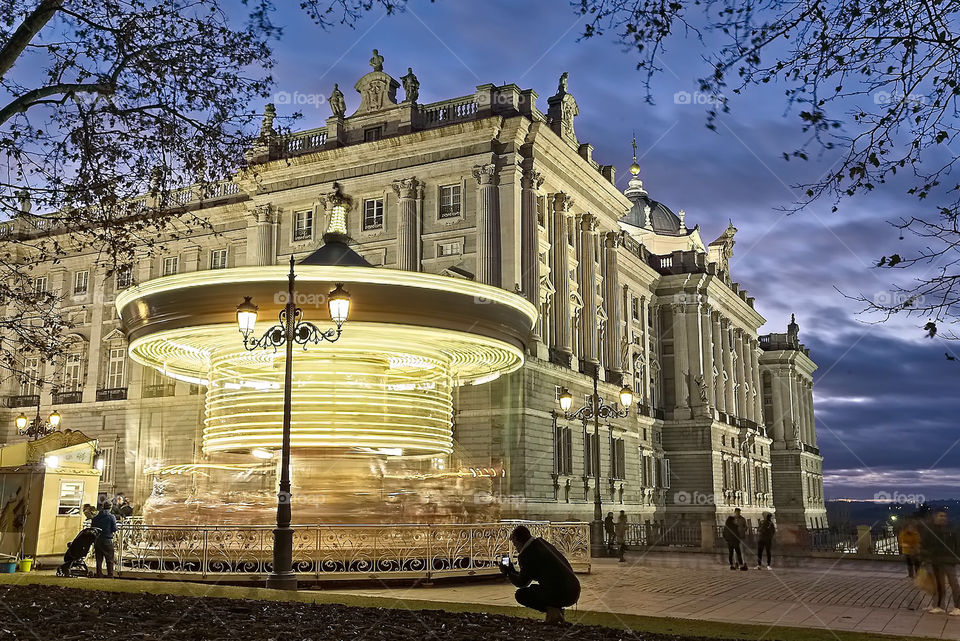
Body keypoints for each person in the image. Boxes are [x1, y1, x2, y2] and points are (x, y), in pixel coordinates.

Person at [501, 525, 580, 625]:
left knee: (521, 595)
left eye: (514, 544)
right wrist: (511, 571)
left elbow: (522, 583)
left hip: (562, 593)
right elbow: (526, 576)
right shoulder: (541, 543)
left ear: (517, 541)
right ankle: (555, 612)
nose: (515, 548)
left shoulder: (528, 553)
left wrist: (508, 572)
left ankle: (553, 612)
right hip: (574, 589)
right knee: (535, 589)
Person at [920, 510, 960, 615]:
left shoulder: (952, 529)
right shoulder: (931, 530)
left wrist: (956, 556)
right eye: (940, 516)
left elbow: (957, 543)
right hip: (936, 561)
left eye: (944, 516)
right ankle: (939, 606)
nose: (942, 518)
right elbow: (925, 544)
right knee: (939, 585)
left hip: (949, 560)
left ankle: (958, 607)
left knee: (954, 584)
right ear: (935, 517)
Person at [90, 502, 117, 577]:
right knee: (109, 558)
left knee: (99, 559)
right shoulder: (111, 517)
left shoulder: (95, 517)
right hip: (107, 539)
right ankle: (110, 574)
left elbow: (92, 528)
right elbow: (114, 529)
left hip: (97, 540)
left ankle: (99, 573)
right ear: (110, 507)